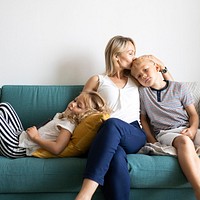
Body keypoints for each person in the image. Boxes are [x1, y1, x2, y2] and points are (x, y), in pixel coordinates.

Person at [75, 36, 173, 200]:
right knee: (115, 158)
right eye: (130, 52)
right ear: (116, 56)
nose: (134, 57)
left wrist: (158, 62)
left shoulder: (137, 78)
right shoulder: (98, 80)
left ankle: (85, 195)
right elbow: (77, 108)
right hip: (105, 135)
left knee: (113, 124)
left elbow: (169, 86)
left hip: (132, 133)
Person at [131, 55, 200, 200]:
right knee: (184, 142)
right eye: (138, 76)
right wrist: (151, 139)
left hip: (186, 127)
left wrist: (193, 129)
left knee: (190, 138)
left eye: (145, 70)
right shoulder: (143, 93)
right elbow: (143, 119)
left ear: (157, 68)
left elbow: (193, 114)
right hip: (166, 133)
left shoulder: (179, 88)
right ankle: (198, 190)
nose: (143, 75)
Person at [0, 91, 110, 158]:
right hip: (20, 135)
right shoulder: (65, 117)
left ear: (85, 114)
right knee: (5, 107)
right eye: (75, 100)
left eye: (78, 106)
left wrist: (36, 137)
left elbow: (57, 149)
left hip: (16, 146)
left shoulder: (69, 125)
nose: (72, 104)